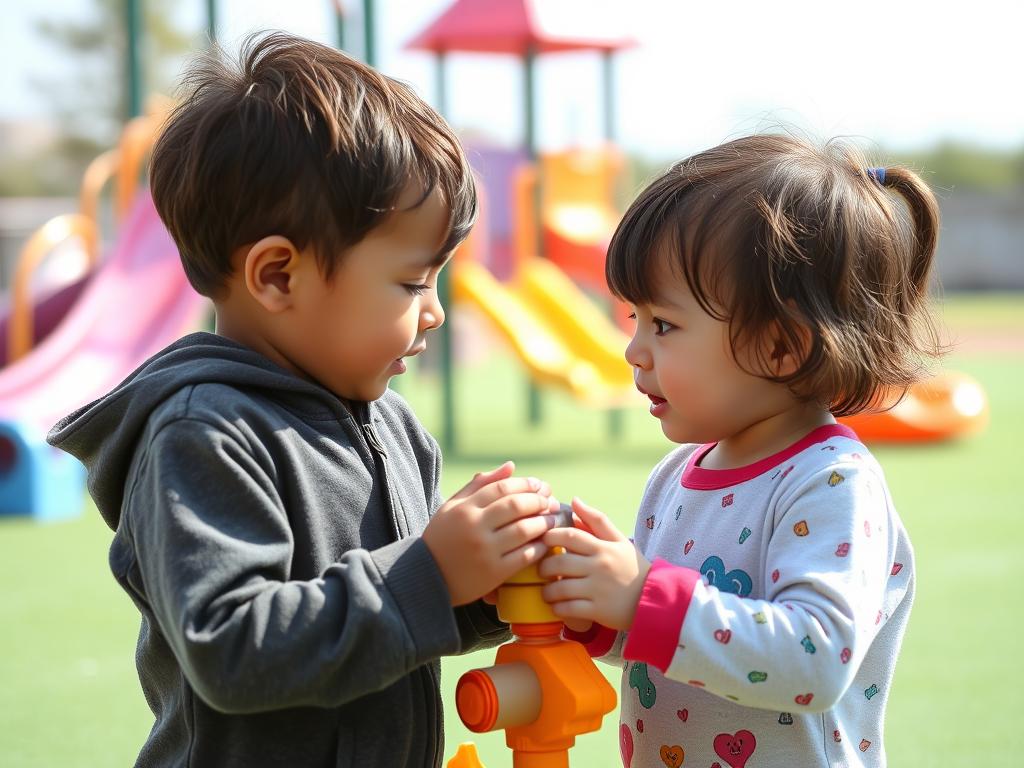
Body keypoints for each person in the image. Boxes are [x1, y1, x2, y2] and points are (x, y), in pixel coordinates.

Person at [47, 32, 561, 768]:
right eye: (414, 282)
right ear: (278, 276)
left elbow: (408, 616)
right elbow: (234, 651)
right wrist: (433, 570)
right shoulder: (203, 436)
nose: (436, 311)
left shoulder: (394, 428)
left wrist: (500, 578)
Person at [539, 134, 940, 767]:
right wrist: (598, 601)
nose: (634, 351)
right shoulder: (675, 475)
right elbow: (677, 646)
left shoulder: (831, 483)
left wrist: (642, 594)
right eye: (633, 320)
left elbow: (814, 658)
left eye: (664, 325)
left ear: (781, 346)